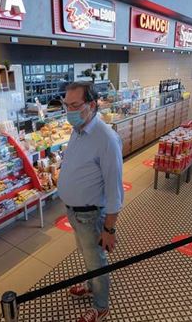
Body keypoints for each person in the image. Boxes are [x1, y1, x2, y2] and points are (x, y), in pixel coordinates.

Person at [57, 82, 124, 322]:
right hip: (74, 212)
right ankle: (91, 285)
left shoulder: (106, 138)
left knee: (96, 261)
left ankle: (101, 306)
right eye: (66, 104)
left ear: (92, 105)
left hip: (91, 214)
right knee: (88, 255)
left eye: (75, 105)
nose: (69, 110)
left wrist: (109, 229)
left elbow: (115, 190)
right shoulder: (78, 128)